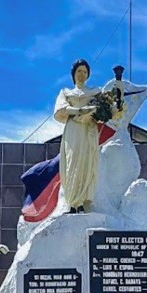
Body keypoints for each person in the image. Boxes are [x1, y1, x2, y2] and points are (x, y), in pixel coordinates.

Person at [54, 59, 101, 214]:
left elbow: (103, 111)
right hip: (73, 129)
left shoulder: (94, 91)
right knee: (72, 162)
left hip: (88, 129)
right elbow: (61, 109)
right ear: (74, 74)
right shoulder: (66, 92)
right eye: (79, 71)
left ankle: (81, 201)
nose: (82, 74)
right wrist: (80, 110)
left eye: (85, 71)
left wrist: (96, 111)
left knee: (86, 162)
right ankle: (73, 202)